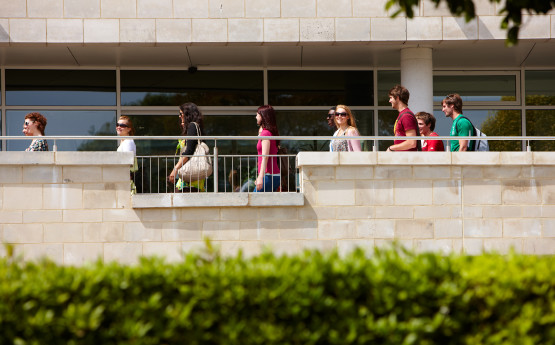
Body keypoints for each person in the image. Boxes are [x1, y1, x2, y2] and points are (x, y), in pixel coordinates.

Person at [168, 102, 206, 192]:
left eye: (181, 114)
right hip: (193, 178)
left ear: (187, 114)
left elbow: (189, 151)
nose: (179, 116)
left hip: (189, 179)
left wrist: (175, 169)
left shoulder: (192, 126)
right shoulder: (195, 127)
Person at [386, 85, 419, 152]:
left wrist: (391, 148)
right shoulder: (403, 115)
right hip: (403, 158)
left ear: (397, 98)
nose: (389, 101)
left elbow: (411, 143)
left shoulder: (406, 116)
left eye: (391, 98)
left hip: (407, 159)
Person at [255, 105, 281, 192]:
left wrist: (260, 177)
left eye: (257, 115)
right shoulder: (270, 133)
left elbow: (265, 156)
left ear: (263, 116)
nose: (255, 117)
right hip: (273, 176)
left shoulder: (266, 134)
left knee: (253, 203)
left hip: (269, 176)